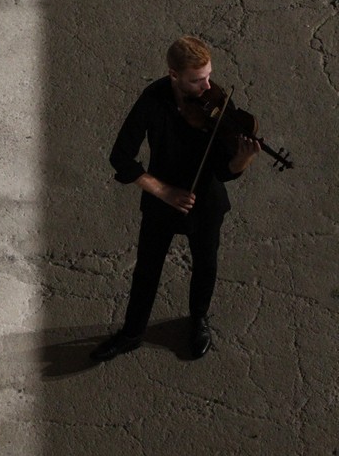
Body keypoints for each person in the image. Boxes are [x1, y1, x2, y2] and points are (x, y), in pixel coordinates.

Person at [91, 36, 260, 362]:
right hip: (161, 200)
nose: (207, 86)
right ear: (174, 75)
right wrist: (162, 190)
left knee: (205, 264)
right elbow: (121, 156)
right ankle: (132, 333)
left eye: (208, 76)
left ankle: (198, 320)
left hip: (206, 201)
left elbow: (224, 170)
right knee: (147, 268)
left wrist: (242, 159)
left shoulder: (218, 101)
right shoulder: (152, 100)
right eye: (197, 80)